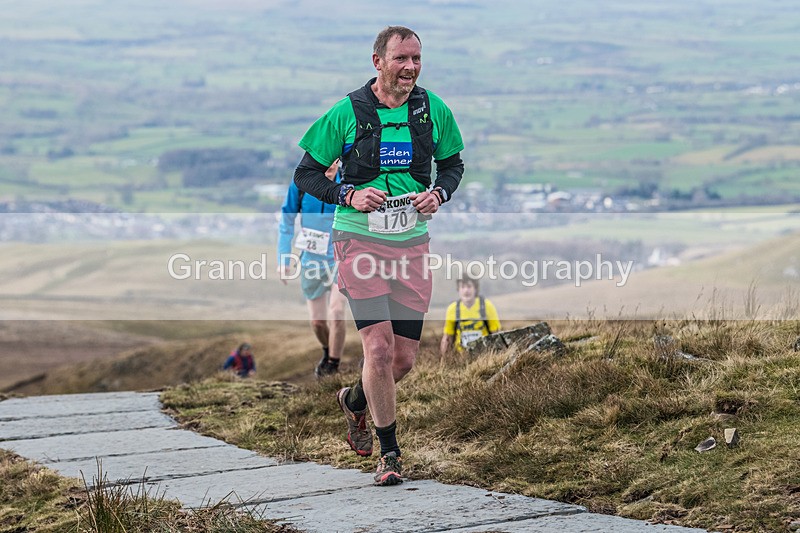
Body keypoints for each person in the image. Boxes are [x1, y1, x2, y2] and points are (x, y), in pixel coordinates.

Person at [294, 26, 464, 486]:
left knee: (404, 359)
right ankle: (389, 453)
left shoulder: (433, 110)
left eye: (416, 59)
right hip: (359, 242)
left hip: (411, 243)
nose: (410, 67)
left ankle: (354, 401)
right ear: (378, 62)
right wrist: (347, 194)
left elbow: (453, 165)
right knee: (379, 348)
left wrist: (439, 194)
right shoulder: (347, 112)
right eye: (400, 59)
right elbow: (306, 175)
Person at [278, 159, 347, 378]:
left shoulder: (348, 182)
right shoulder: (301, 183)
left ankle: (333, 366)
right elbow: (287, 220)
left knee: (336, 311)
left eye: (334, 160)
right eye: (324, 159)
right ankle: (328, 352)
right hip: (311, 259)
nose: (329, 165)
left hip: (341, 257)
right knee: (317, 322)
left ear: (339, 160)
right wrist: (283, 258)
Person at [440, 275, 501, 355]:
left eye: (469, 286)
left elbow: (496, 334)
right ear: (458, 290)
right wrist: (444, 361)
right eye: (462, 287)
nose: (466, 290)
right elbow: (447, 338)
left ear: (475, 288)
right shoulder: (452, 309)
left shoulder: (487, 306)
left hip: (485, 356)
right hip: (460, 357)